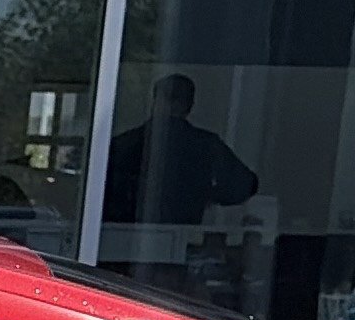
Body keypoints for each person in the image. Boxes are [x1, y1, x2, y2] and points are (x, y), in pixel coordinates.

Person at [104, 71, 260, 223]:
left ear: (155, 101)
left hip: (125, 234)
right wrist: (205, 194)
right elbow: (246, 185)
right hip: (183, 235)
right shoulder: (205, 145)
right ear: (190, 105)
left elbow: (101, 190)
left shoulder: (125, 144)